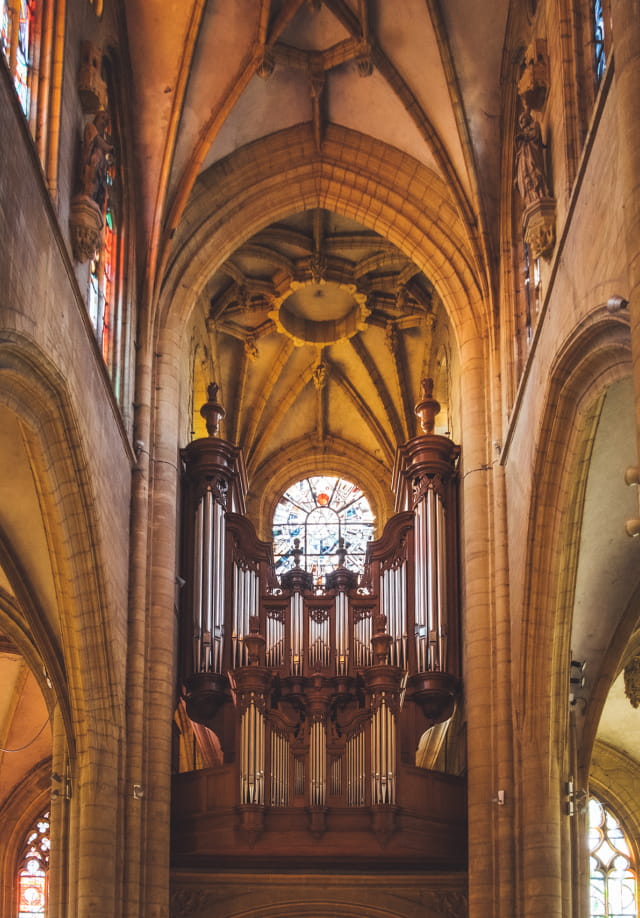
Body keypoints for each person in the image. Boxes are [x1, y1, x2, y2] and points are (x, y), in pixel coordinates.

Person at [514, 109, 550, 207]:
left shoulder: (535, 125)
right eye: (520, 122)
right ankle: (530, 199)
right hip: (524, 161)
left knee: (534, 174)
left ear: (528, 118)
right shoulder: (522, 143)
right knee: (526, 180)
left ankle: (539, 194)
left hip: (532, 157)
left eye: (522, 119)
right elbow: (518, 156)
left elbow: (535, 135)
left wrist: (524, 136)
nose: (521, 123)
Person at [81, 110, 115, 211]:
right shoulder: (90, 127)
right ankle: (88, 194)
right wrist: (111, 149)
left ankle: (95, 200)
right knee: (97, 156)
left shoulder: (103, 139)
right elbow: (98, 142)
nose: (104, 122)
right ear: (97, 118)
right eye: (102, 118)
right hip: (89, 165)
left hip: (99, 174)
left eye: (106, 121)